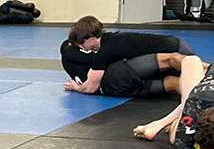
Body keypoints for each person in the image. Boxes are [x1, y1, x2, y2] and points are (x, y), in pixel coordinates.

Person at [61, 16, 196, 97]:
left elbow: (90, 85)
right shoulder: (102, 52)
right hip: (120, 74)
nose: (82, 47)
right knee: (171, 60)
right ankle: (208, 72)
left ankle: (197, 98)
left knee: (172, 83)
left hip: (116, 90)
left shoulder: (93, 54)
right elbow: (91, 84)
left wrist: (76, 88)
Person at [132, 55, 214, 149]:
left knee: (191, 60)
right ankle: (161, 124)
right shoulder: (195, 105)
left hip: (203, 93)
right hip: (201, 96)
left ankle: (160, 124)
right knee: (190, 61)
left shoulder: (195, 105)